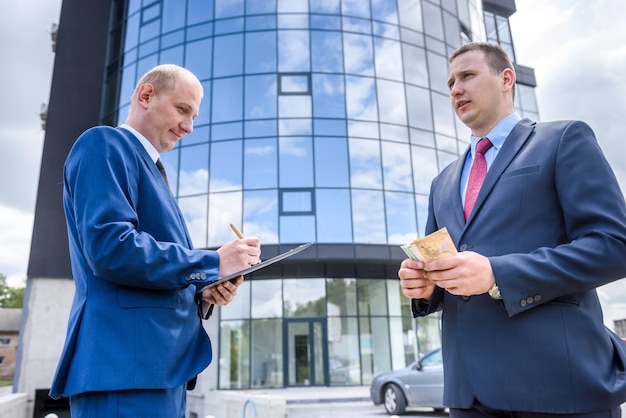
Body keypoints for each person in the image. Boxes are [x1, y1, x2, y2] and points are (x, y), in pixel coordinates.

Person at [398, 42, 626, 417]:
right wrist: (426, 288)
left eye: (467, 75)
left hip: (557, 383)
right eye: (451, 82)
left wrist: (496, 273)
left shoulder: (563, 139)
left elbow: (613, 246)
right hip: (468, 395)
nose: (456, 88)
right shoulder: (442, 182)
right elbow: (448, 269)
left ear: (506, 79)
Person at [49, 64, 261, 417]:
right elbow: (111, 248)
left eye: (193, 116)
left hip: (161, 372)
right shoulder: (104, 143)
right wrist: (213, 263)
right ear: (146, 96)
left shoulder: (153, 175)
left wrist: (204, 290)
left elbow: (151, 270)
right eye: (182, 110)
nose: (189, 127)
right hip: (124, 371)